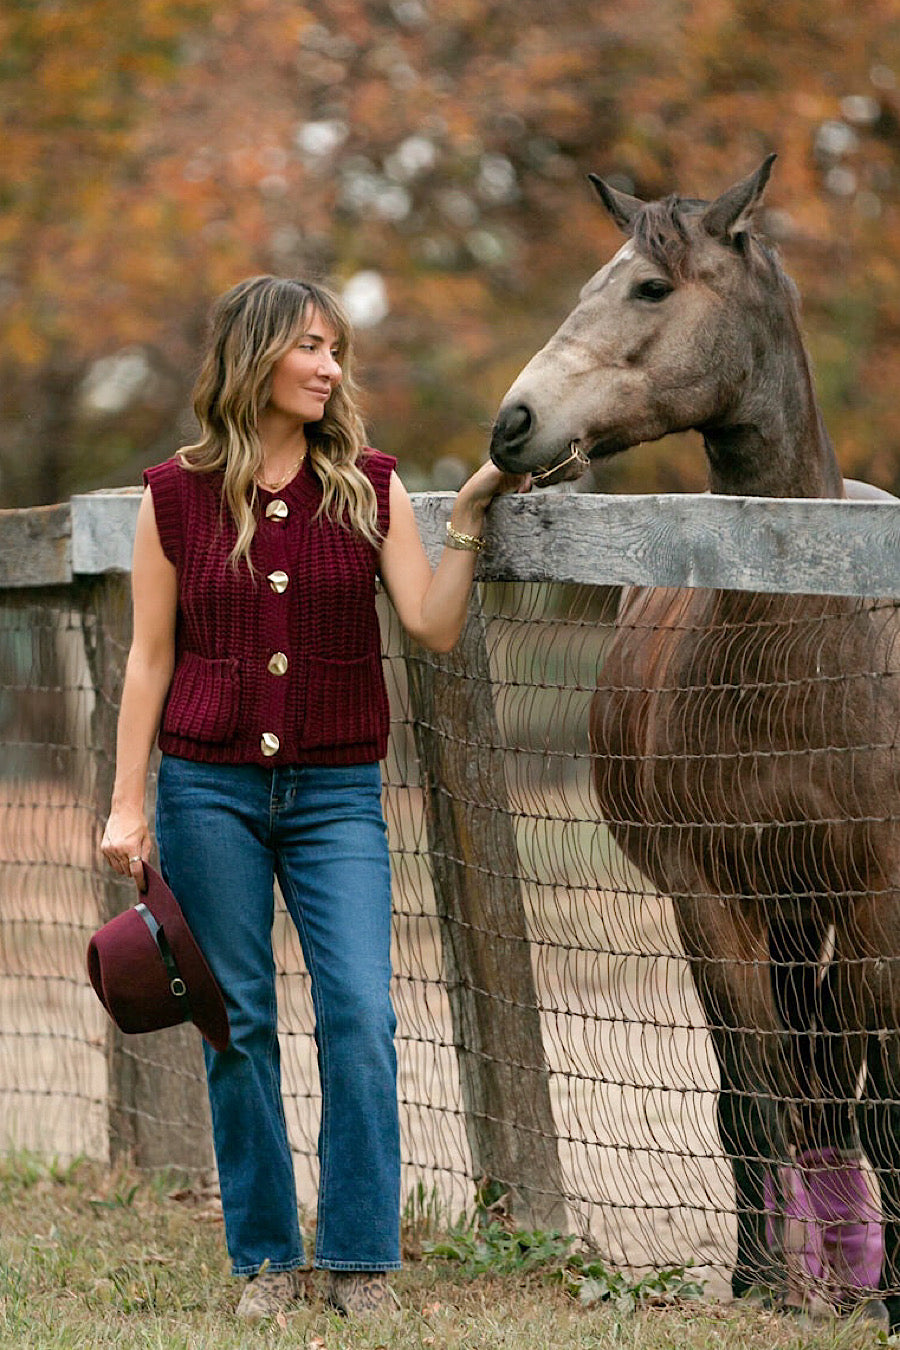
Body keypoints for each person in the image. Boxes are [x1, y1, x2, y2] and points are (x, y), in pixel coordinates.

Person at [100, 275, 529, 1322]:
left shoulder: (370, 485)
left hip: (338, 792)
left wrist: (466, 512)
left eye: (336, 348)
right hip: (209, 791)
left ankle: (359, 1259)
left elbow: (428, 623)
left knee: (363, 1013)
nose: (330, 367)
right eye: (310, 346)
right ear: (255, 357)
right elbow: (150, 660)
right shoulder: (174, 497)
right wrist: (126, 803)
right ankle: (264, 1262)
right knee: (237, 1021)